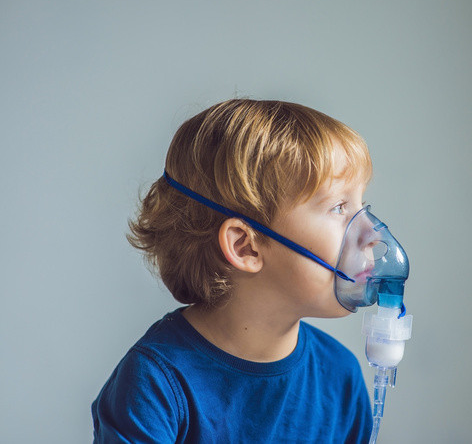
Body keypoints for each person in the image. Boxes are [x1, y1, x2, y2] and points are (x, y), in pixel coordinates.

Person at [91, 99, 373, 443]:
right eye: (339, 206)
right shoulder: (155, 384)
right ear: (245, 246)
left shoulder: (340, 378)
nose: (371, 233)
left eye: (361, 202)